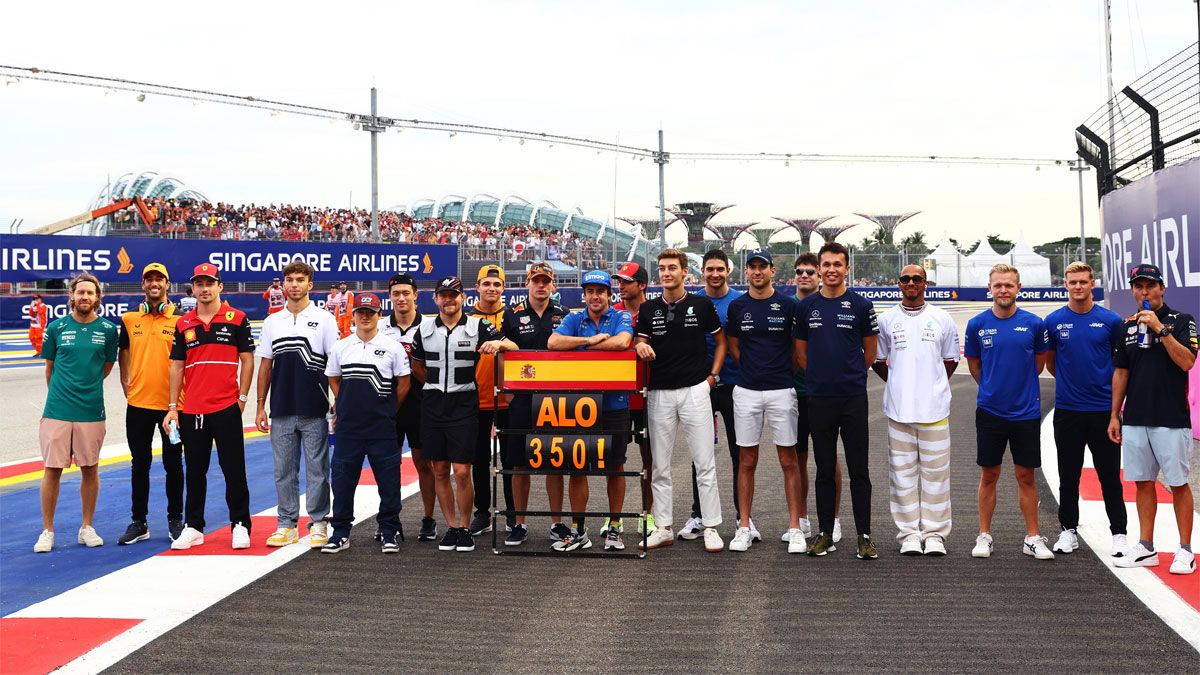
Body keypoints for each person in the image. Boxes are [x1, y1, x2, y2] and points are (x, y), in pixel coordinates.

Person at [409, 276, 516, 553]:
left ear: (463, 298)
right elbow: (417, 366)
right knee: (440, 469)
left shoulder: (478, 325)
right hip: (432, 403)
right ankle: (452, 527)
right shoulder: (423, 329)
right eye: (443, 295)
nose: (448, 300)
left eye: (453, 295)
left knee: (462, 470)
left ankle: (466, 527)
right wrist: (434, 386)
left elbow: (514, 348)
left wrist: (499, 345)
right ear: (435, 299)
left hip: (465, 402)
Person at [634, 248, 725, 552]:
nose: (666, 273)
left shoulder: (701, 305)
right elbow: (641, 341)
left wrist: (711, 378)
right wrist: (640, 346)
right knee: (660, 465)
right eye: (662, 268)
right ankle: (663, 527)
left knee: (704, 462)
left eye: (672, 267)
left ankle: (711, 526)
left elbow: (721, 341)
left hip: (696, 390)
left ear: (685, 271)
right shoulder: (648, 310)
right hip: (659, 392)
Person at [794, 241, 879, 560]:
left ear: (846, 268)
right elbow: (801, 354)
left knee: (859, 468)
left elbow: (869, 353)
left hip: (853, 397)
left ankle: (864, 535)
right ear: (819, 269)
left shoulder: (861, 304)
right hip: (819, 398)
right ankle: (825, 533)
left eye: (836, 264)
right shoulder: (806, 307)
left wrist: (849, 375)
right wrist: (821, 377)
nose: (831, 270)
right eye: (825, 264)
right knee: (824, 468)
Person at [162, 263, 255, 551]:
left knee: (233, 469)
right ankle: (194, 526)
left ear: (219, 286)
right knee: (195, 470)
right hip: (192, 409)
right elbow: (177, 366)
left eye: (209, 283)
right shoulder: (183, 323)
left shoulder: (236, 318)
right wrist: (172, 407)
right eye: (199, 284)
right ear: (194, 288)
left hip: (227, 406)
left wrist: (241, 398)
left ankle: (240, 524)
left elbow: (248, 359)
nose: (204, 289)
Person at [1110, 263, 1196, 575]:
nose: (1144, 291)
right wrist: (1114, 415)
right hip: (1134, 419)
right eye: (1138, 286)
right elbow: (1121, 373)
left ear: (1162, 288)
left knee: (1177, 484)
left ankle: (1185, 549)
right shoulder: (1127, 327)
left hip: (1171, 419)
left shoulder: (1182, 321)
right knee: (1143, 483)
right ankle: (1146, 546)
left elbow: (1187, 362)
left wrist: (1160, 329)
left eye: (1150, 285)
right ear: (1133, 290)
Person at [964, 263, 1054, 561]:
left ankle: (1032, 537)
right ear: (990, 288)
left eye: (1009, 285)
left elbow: (1039, 363)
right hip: (990, 411)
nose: (1003, 290)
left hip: (1026, 412)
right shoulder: (977, 324)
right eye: (998, 285)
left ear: (1018, 288)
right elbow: (975, 366)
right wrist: (992, 388)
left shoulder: (1034, 324)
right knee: (989, 474)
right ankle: (984, 535)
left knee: (1026, 475)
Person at [872, 264, 960, 555]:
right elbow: (878, 360)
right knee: (902, 474)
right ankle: (909, 533)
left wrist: (930, 385)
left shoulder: (942, 318)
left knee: (936, 474)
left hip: (934, 410)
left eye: (917, 279)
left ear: (926, 283)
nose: (911, 283)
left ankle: (934, 534)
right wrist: (899, 383)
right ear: (899, 284)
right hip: (898, 411)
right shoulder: (886, 319)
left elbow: (950, 360)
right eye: (906, 279)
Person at [724, 249, 805, 553]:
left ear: (772, 271)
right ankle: (744, 525)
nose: (757, 272)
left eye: (763, 267)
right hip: (746, 391)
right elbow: (734, 348)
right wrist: (753, 371)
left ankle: (795, 526)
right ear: (746, 273)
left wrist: (778, 373)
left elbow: (797, 353)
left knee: (788, 460)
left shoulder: (787, 306)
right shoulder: (737, 306)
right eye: (752, 268)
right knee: (747, 460)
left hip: (782, 390)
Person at [1044, 262, 1127, 556]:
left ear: (1093, 284)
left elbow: (1121, 367)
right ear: (1065, 285)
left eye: (1083, 282)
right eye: (1072, 282)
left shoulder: (1111, 321)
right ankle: (1068, 530)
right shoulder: (1053, 321)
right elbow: (1052, 364)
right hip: (1068, 411)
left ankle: (1119, 532)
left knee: (1109, 476)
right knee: (1069, 475)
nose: (1077, 287)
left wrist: (1115, 411)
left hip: (1104, 412)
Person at [548, 269, 634, 551]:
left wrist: (587, 347)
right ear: (584, 295)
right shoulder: (574, 318)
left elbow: (623, 342)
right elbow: (553, 343)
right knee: (577, 467)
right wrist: (588, 341)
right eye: (590, 291)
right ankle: (579, 530)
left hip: (614, 404)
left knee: (615, 466)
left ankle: (615, 527)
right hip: (580, 405)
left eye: (600, 291)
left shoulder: (620, 316)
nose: (595, 296)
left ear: (610, 295)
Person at [255, 261, 339, 549]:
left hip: (314, 407)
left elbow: (335, 365)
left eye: (300, 279)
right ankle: (286, 524)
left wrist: (337, 403)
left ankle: (318, 523)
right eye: (289, 279)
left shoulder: (325, 319)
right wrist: (259, 406)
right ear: (284, 283)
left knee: (317, 469)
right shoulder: (272, 322)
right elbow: (265, 366)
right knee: (283, 470)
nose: (294, 284)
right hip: (280, 408)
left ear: (310, 285)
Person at [33, 273, 119, 553]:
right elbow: (50, 368)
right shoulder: (56, 327)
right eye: (80, 292)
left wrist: (85, 388)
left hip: (91, 410)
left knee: (90, 469)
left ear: (97, 298)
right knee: (52, 470)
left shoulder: (108, 330)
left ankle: (86, 527)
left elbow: (105, 368)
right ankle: (47, 530)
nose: (85, 297)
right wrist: (60, 395)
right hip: (57, 409)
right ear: (71, 295)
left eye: (90, 293)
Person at [321, 293, 411, 554]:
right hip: (349, 428)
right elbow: (333, 378)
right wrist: (346, 402)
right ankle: (340, 532)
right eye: (360, 311)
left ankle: (389, 529)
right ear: (354, 315)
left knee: (389, 481)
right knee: (342, 481)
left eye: (370, 312)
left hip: (381, 427)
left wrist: (388, 410)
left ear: (378, 315)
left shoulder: (392, 347)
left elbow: (403, 383)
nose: (365, 316)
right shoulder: (341, 346)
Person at [679, 249, 750, 542]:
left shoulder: (739, 301)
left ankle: (742, 519)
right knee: (700, 454)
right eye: (710, 269)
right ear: (703, 272)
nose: (715, 274)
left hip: (735, 386)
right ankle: (698, 515)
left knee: (740, 453)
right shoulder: (693, 302)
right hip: (700, 387)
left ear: (728, 271)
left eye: (720, 269)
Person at [499, 262, 570, 546]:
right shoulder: (512, 314)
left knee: (556, 461)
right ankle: (519, 523)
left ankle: (557, 523)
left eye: (546, 281)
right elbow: (503, 352)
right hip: (523, 396)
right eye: (536, 281)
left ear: (553, 285)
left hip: (555, 397)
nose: (541, 286)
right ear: (527, 283)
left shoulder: (564, 314)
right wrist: (507, 390)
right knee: (518, 464)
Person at [116, 263, 185, 545]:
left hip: (172, 409)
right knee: (139, 464)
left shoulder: (181, 319)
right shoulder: (130, 319)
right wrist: (126, 385)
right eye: (149, 279)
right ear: (143, 285)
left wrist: (179, 405)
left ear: (167, 284)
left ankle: (175, 519)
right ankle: (139, 521)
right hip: (139, 406)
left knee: (173, 465)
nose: (154, 283)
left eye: (159, 279)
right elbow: (123, 354)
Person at [789, 253, 843, 544]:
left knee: (829, 459)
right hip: (793, 394)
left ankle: (833, 520)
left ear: (819, 274)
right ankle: (801, 518)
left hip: (824, 394)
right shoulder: (788, 307)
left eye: (811, 270)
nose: (805, 275)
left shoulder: (830, 305)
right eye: (800, 271)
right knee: (797, 460)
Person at [380, 272, 438, 541]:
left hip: (420, 403)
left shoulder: (430, 326)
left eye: (406, 293)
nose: (401, 298)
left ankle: (428, 519)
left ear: (416, 296)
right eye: (396, 294)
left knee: (423, 463)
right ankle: (389, 520)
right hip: (387, 402)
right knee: (387, 464)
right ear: (390, 297)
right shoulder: (380, 327)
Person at [611, 262, 656, 536]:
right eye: (619, 280)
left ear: (642, 285)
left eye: (627, 281)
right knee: (614, 459)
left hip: (649, 395)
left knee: (650, 459)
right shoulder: (611, 312)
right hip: (617, 397)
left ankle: (648, 514)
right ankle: (613, 516)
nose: (621, 285)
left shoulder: (655, 311)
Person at [468, 264, 510, 536]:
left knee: (511, 459)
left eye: (496, 284)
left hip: (509, 399)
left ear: (503, 288)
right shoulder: (467, 318)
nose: (491, 288)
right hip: (476, 398)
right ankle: (482, 513)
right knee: (479, 460)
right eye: (486, 284)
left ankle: (514, 514)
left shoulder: (513, 317)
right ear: (478, 288)